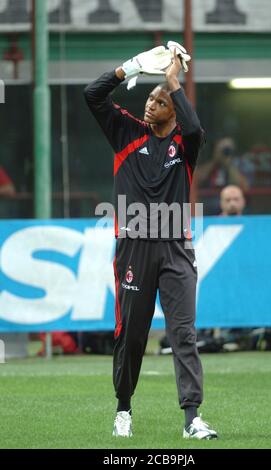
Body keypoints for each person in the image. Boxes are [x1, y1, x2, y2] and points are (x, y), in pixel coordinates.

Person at [84, 44, 217, 440]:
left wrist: (173, 82)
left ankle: (192, 418)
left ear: (173, 110)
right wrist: (130, 68)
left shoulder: (185, 143)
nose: (150, 105)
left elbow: (194, 129)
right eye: (150, 97)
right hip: (134, 248)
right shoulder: (125, 130)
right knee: (132, 336)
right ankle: (123, 409)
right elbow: (92, 94)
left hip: (176, 249)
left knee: (184, 334)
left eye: (160, 101)